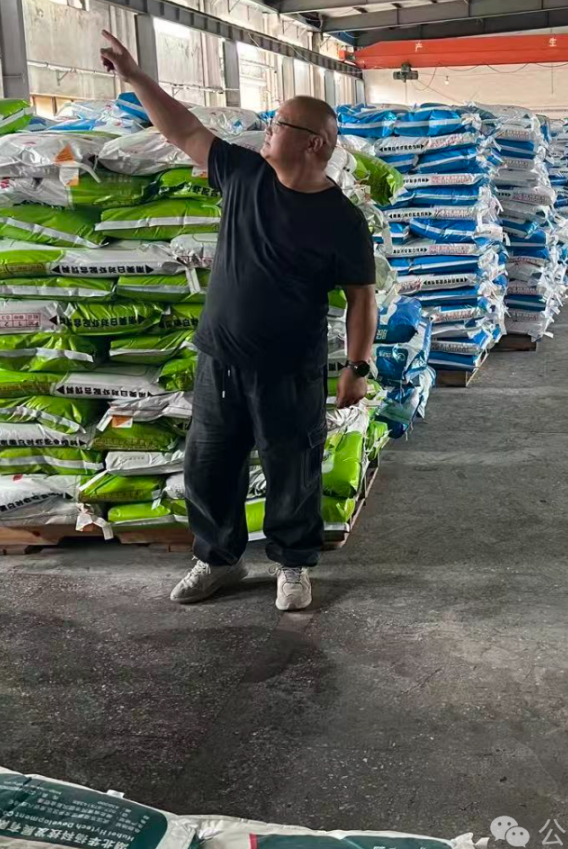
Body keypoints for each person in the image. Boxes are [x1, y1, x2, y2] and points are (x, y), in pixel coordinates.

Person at [99, 31, 377, 612]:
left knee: (292, 468)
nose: (267, 129)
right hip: (219, 360)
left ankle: (293, 565)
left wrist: (357, 367)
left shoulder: (342, 220)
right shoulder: (245, 175)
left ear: (314, 143)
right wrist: (136, 77)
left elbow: (361, 297)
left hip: (289, 369)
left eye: (279, 123)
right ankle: (218, 560)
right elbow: (182, 130)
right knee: (209, 465)